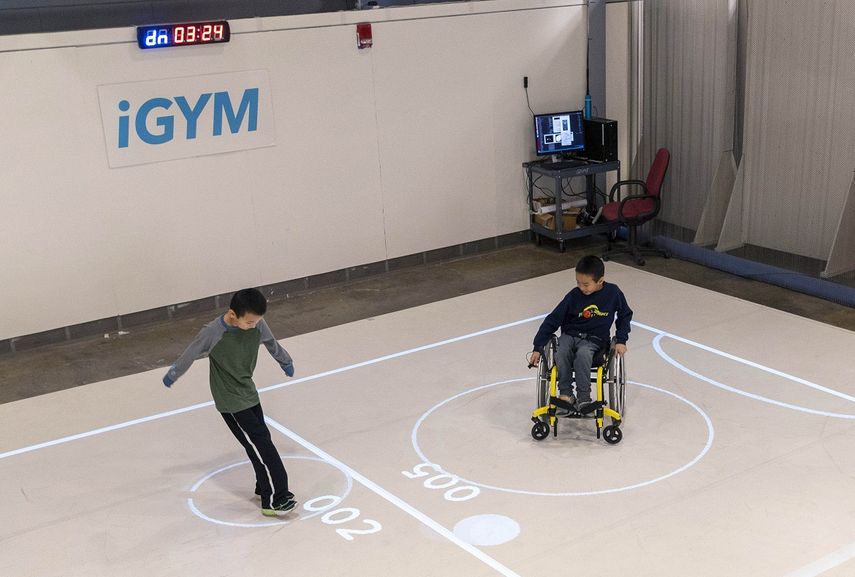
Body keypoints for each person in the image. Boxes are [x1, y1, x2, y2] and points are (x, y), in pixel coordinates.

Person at [162, 288, 297, 517]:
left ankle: (262, 486)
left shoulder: (257, 323)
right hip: (230, 400)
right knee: (261, 445)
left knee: (260, 441)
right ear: (233, 314)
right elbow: (192, 352)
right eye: (250, 322)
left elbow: (270, 342)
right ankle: (274, 499)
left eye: (257, 321)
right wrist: (174, 373)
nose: (255, 326)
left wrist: (285, 361)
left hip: (248, 391)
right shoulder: (213, 332)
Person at [528, 255, 632, 414]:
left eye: (586, 284)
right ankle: (566, 395)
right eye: (578, 282)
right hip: (571, 335)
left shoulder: (613, 293)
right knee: (561, 351)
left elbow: (625, 315)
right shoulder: (573, 296)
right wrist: (538, 346)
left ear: (600, 281)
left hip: (595, 339)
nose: (581, 287)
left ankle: (584, 398)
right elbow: (553, 319)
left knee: (583, 355)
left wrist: (621, 340)